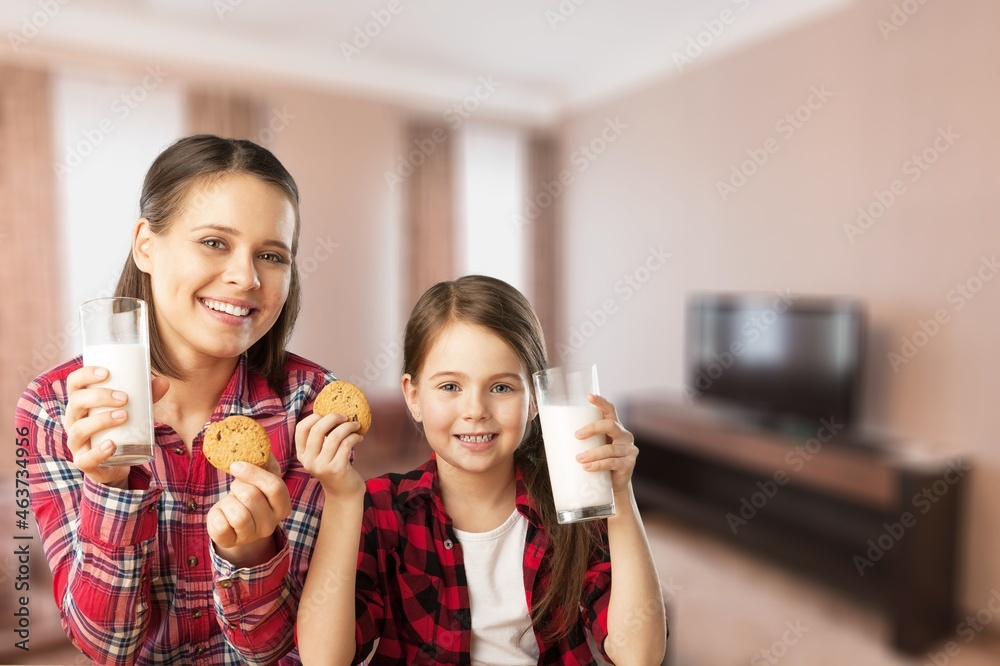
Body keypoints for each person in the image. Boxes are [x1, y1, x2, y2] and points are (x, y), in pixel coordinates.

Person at [16, 135, 335, 665]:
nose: (245, 277)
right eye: (214, 242)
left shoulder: (311, 406)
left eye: (272, 255)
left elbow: (282, 648)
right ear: (146, 244)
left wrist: (251, 555)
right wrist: (109, 487)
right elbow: (105, 646)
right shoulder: (54, 408)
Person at [296, 275, 668, 665]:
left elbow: (639, 655)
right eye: (450, 387)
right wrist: (341, 498)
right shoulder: (382, 511)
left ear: (534, 401)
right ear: (413, 396)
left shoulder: (572, 504)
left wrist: (619, 495)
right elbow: (324, 659)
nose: (475, 410)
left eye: (502, 388)